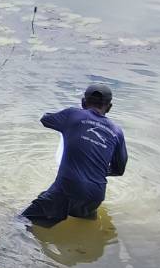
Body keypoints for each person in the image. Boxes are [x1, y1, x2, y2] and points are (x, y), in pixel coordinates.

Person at [22, 84, 127, 227]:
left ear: (83, 102)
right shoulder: (117, 131)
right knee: (82, 228)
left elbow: (45, 119)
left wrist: (70, 121)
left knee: (22, 222)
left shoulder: (73, 114)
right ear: (109, 107)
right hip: (95, 195)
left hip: (68, 187)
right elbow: (119, 170)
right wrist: (96, 170)